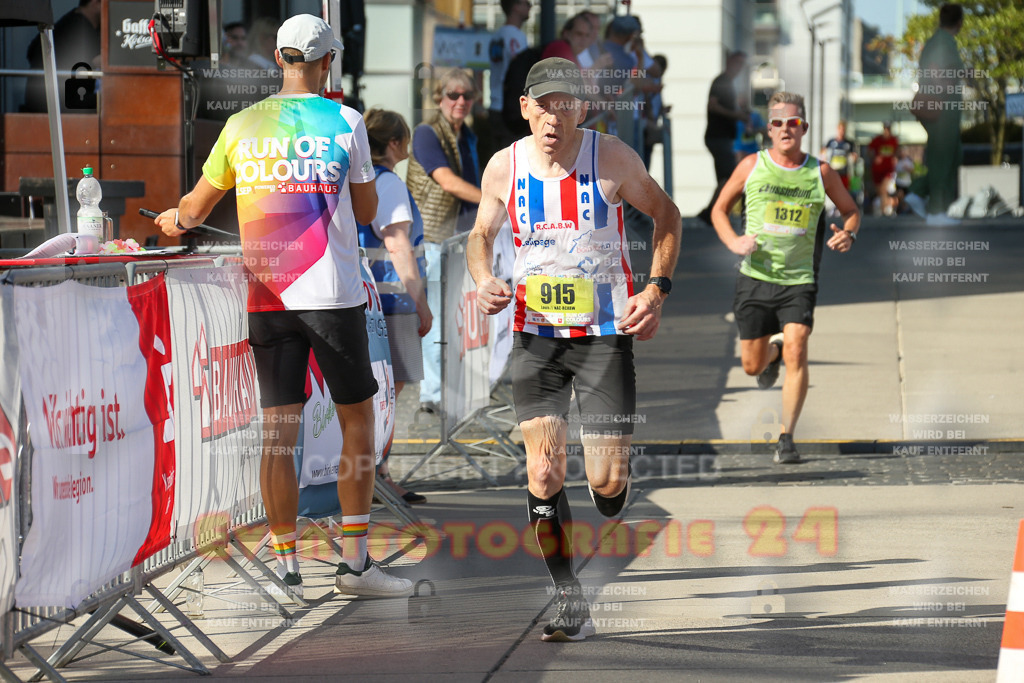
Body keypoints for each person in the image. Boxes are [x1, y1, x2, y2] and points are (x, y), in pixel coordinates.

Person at [154, 14, 412, 599]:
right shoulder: (345, 120)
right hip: (331, 295)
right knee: (357, 424)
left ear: (278, 58)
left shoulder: (243, 123)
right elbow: (368, 212)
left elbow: (193, 212)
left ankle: (287, 566)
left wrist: (173, 219)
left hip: (268, 296)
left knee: (277, 433)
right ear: (327, 64)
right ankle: (354, 566)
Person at [467, 58, 681, 642]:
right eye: (544, 103)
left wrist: (656, 289)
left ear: (582, 109)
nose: (553, 116)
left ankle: (610, 486)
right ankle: (567, 596)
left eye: (566, 103)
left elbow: (667, 214)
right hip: (536, 339)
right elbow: (480, 236)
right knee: (543, 470)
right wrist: (484, 278)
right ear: (526, 108)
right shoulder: (503, 166)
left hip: (604, 336)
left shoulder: (611, 158)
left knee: (607, 483)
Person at [710, 91, 860, 465]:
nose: (784, 129)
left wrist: (849, 232)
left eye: (792, 122)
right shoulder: (751, 166)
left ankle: (786, 437)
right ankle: (769, 355)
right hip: (755, 277)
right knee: (751, 365)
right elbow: (718, 209)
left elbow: (851, 210)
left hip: (799, 279)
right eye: (777, 123)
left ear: (804, 128)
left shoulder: (821, 172)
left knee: (798, 346)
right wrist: (733, 240)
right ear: (769, 129)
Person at [357, 108, 432, 505]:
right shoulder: (388, 185)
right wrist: (420, 301)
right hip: (393, 300)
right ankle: (377, 476)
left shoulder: (363, 181)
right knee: (388, 393)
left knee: (377, 394)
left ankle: (374, 474)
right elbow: (398, 243)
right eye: (404, 141)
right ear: (394, 145)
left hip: (370, 300)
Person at [407, 69, 482, 416]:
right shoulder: (426, 133)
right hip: (434, 241)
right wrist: (495, 203)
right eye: (453, 95)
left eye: (466, 95)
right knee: (434, 317)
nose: (460, 101)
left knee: (455, 317)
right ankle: (432, 393)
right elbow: (448, 182)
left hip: (458, 239)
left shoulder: (465, 134)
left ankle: (450, 389)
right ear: (439, 98)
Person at [906, 3, 965, 226]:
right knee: (943, 158)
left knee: (954, 154)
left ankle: (917, 191)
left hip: (937, 108)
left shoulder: (935, 41)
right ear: (959, 22)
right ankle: (937, 212)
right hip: (942, 110)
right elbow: (937, 71)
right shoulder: (945, 42)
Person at [697, 51, 749, 226]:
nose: (739, 68)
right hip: (717, 137)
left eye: (742, 64)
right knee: (730, 176)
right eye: (737, 63)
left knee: (725, 178)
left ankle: (710, 212)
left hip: (723, 137)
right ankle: (712, 212)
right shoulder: (721, 81)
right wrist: (735, 115)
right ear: (729, 62)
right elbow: (713, 106)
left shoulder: (729, 83)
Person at [23, 0, 101, 113]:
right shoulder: (81, 27)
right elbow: (102, 62)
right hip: (61, 104)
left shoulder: (68, 21)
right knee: (110, 100)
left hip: (40, 101)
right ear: (95, 3)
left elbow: (31, 50)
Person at [488, 0, 531, 152]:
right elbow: (519, 71)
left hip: (494, 104)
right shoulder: (516, 36)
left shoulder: (497, 35)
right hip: (509, 107)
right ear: (515, 6)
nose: (529, 7)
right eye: (526, 3)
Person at [868, 122, 899, 216]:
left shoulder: (894, 140)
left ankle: (884, 210)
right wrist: (874, 158)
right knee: (880, 192)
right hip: (877, 170)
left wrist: (895, 158)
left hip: (888, 170)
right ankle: (886, 206)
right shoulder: (877, 140)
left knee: (883, 189)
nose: (887, 131)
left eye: (888, 129)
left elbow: (897, 151)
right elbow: (869, 151)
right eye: (885, 129)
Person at [820, 119, 857, 192]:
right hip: (833, 172)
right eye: (840, 129)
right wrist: (824, 159)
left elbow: (854, 155)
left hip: (844, 173)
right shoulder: (831, 142)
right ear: (837, 129)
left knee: (844, 192)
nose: (842, 132)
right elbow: (822, 151)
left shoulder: (849, 143)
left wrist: (853, 158)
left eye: (844, 130)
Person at [734, 95, 765, 163]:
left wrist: (753, 131)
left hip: (753, 148)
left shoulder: (755, 115)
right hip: (739, 149)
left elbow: (764, 129)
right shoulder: (735, 116)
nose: (741, 103)